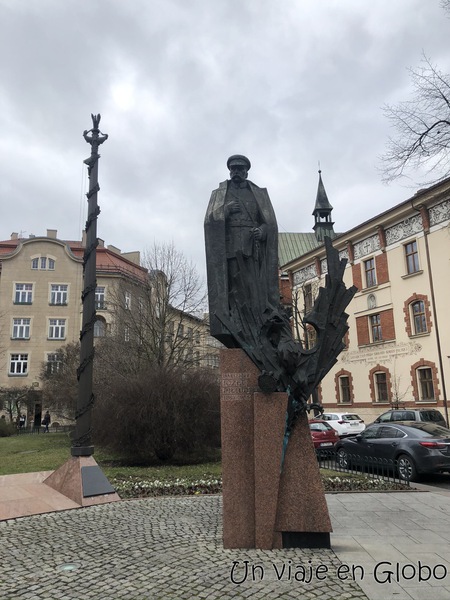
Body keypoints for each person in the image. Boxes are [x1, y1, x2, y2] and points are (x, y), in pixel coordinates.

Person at [204, 155, 279, 348]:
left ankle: (253, 320)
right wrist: (225, 211)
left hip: (251, 247)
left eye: (240, 169)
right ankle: (235, 320)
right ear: (229, 170)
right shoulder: (220, 193)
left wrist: (262, 231)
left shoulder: (258, 193)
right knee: (233, 288)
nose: (236, 172)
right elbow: (209, 220)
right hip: (228, 248)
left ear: (247, 171)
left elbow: (269, 223)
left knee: (251, 288)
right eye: (233, 169)